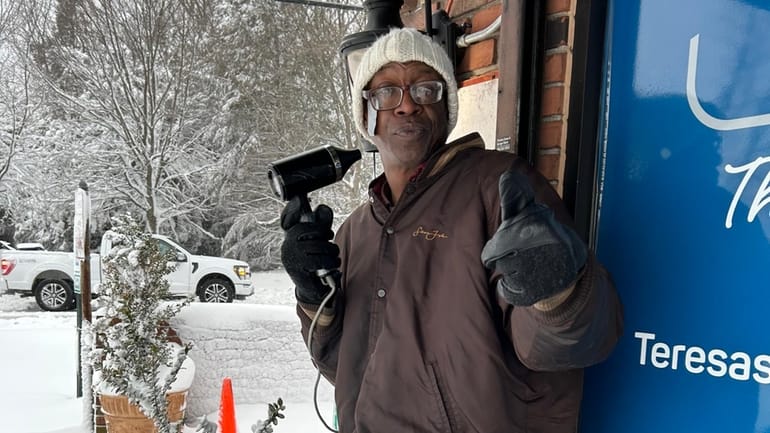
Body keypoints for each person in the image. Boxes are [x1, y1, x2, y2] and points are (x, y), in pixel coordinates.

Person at [279, 27, 623, 433]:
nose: (407, 105)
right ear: (367, 114)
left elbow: (569, 345)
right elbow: (340, 365)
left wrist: (556, 293)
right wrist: (314, 298)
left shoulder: (500, 188)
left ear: (447, 110)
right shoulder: (356, 232)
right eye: (387, 92)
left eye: (425, 89)